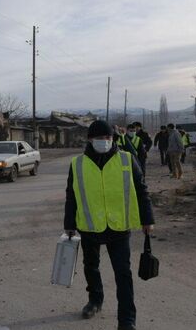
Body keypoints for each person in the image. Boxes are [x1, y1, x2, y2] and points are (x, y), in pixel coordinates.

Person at [64, 120, 155, 330]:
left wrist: (147, 219)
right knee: (91, 267)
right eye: (99, 138)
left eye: (107, 138)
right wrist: (69, 224)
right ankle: (95, 300)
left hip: (118, 227)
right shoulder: (77, 164)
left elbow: (142, 190)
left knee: (123, 273)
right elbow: (71, 196)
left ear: (113, 138)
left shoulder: (127, 159)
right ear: (89, 139)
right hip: (89, 227)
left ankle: (127, 320)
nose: (104, 141)